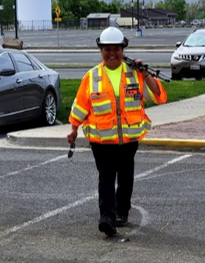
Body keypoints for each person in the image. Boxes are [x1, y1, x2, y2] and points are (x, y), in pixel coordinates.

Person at [67, 26, 167, 236]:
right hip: (101, 142)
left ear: (123, 50)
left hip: (128, 140)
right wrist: (74, 129)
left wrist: (146, 74)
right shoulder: (91, 77)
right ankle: (107, 218)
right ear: (101, 50)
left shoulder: (135, 74)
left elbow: (159, 95)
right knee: (106, 176)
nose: (112, 53)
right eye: (107, 49)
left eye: (116, 49)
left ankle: (122, 212)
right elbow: (80, 106)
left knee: (126, 177)